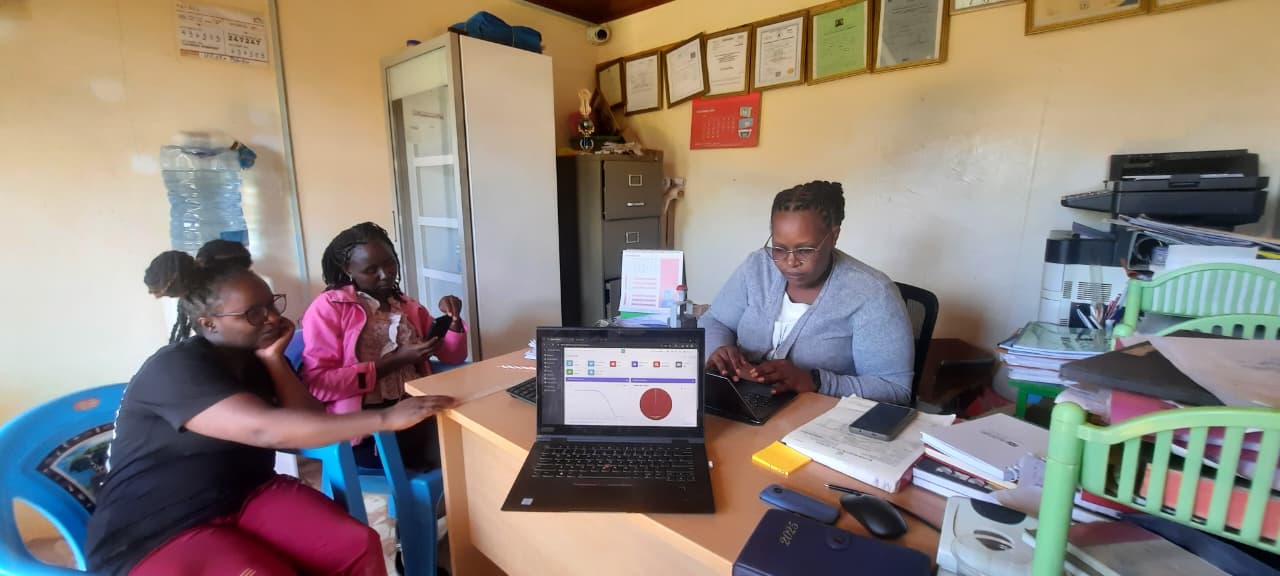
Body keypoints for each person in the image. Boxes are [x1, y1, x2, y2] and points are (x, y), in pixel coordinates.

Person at [85, 249, 455, 575]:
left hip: (245, 495)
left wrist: (274, 360)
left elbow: (312, 419)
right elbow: (264, 430)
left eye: (272, 305)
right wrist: (385, 419)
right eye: (254, 313)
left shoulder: (256, 357)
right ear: (209, 323)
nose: (272, 319)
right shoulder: (175, 369)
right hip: (159, 528)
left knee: (356, 545)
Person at [699, 181, 915, 404]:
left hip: (817, 418)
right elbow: (715, 320)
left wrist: (816, 381)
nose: (790, 261)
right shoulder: (758, 267)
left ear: (833, 236)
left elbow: (894, 389)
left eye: (805, 250)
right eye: (779, 248)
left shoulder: (872, 293)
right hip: (743, 401)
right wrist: (720, 350)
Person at [301, 222, 467, 470]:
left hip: (416, 411)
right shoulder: (329, 308)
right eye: (371, 269)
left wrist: (453, 323)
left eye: (390, 263)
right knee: (456, 458)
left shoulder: (406, 305)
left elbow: (452, 356)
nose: (385, 274)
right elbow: (319, 384)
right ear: (348, 269)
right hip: (367, 429)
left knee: (471, 442)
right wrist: (396, 360)